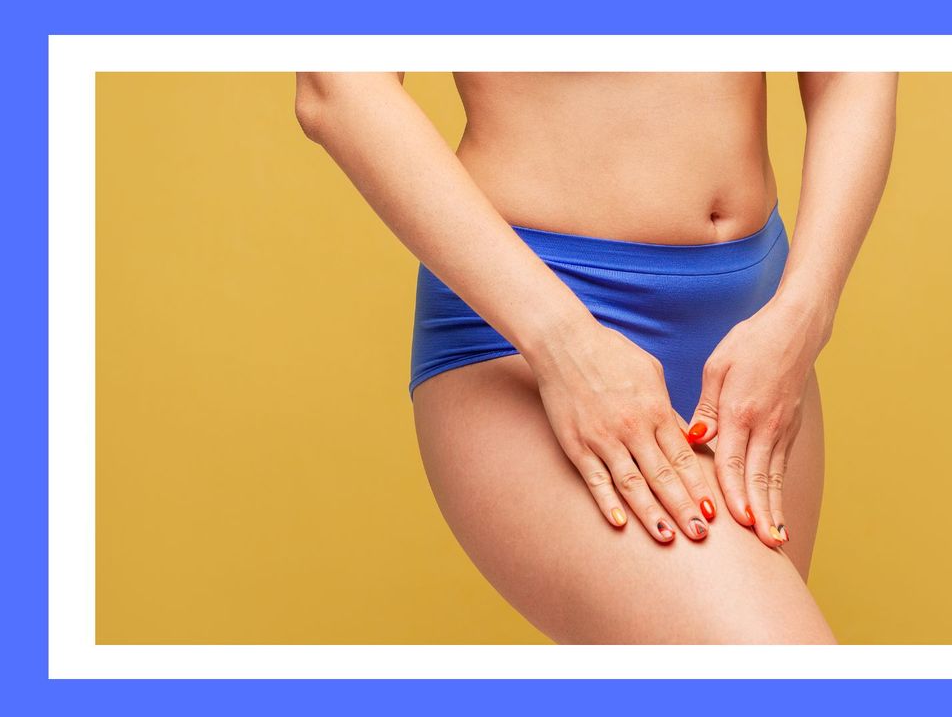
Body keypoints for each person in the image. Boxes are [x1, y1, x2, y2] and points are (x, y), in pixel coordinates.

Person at [294, 71, 897, 644]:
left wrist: (804, 313)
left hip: (761, 335)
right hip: (537, 325)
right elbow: (338, 86)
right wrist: (564, 345)